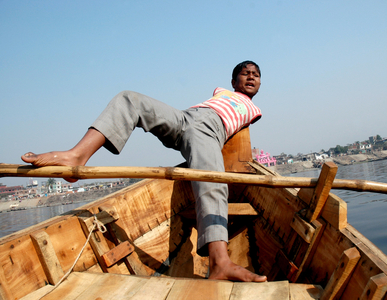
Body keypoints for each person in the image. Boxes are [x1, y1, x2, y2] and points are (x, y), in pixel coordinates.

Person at [21, 61, 267, 282]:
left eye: (255, 74)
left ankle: (219, 262)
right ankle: (77, 155)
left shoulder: (254, 110)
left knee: (211, 183)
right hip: (185, 118)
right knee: (129, 99)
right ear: (233, 81)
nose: (251, 77)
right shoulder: (221, 93)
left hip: (211, 131)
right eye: (244, 73)